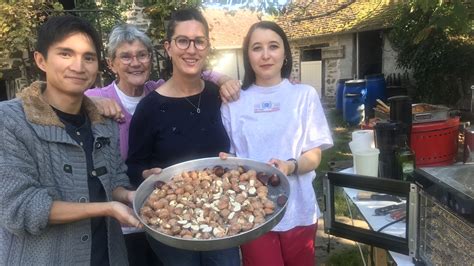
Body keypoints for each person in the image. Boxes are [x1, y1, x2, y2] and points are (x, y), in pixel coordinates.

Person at [84, 23, 240, 266]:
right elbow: (58, 98)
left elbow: (193, 70)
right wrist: (88, 102)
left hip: (165, 211)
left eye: (142, 55)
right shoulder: (98, 98)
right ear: (111, 63)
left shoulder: (156, 91)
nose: (135, 62)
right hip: (121, 216)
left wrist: (224, 78)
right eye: (125, 56)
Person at [0, 15, 139, 265]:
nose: (79, 66)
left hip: (108, 257)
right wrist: (107, 208)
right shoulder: (9, 121)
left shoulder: (104, 122)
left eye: (88, 57)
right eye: (66, 54)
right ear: (41, 60)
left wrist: (134, 196)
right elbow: (22, 207)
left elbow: (115, 180)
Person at [126, 8, 240, 266]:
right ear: (168, 47)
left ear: (207, 46)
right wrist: (145, 175)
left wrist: (233, 162)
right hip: (173, 222)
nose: (192, 49)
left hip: (220, 217)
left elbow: (239, 142)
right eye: (182, 41)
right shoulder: (150, 108)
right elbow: (134, 165)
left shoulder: (218, 96)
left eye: (199, 41)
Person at [220, 21, 333, 266]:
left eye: (273, 46)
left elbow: (314, 154)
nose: (266, 55)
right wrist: (228, 165)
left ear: (284, 53)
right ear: (247, 55)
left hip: (299, 208)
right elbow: (230, 160)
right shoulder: (233, 103)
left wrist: (290, 166)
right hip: (252, 213)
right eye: (257, 48)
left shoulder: (304, 95)